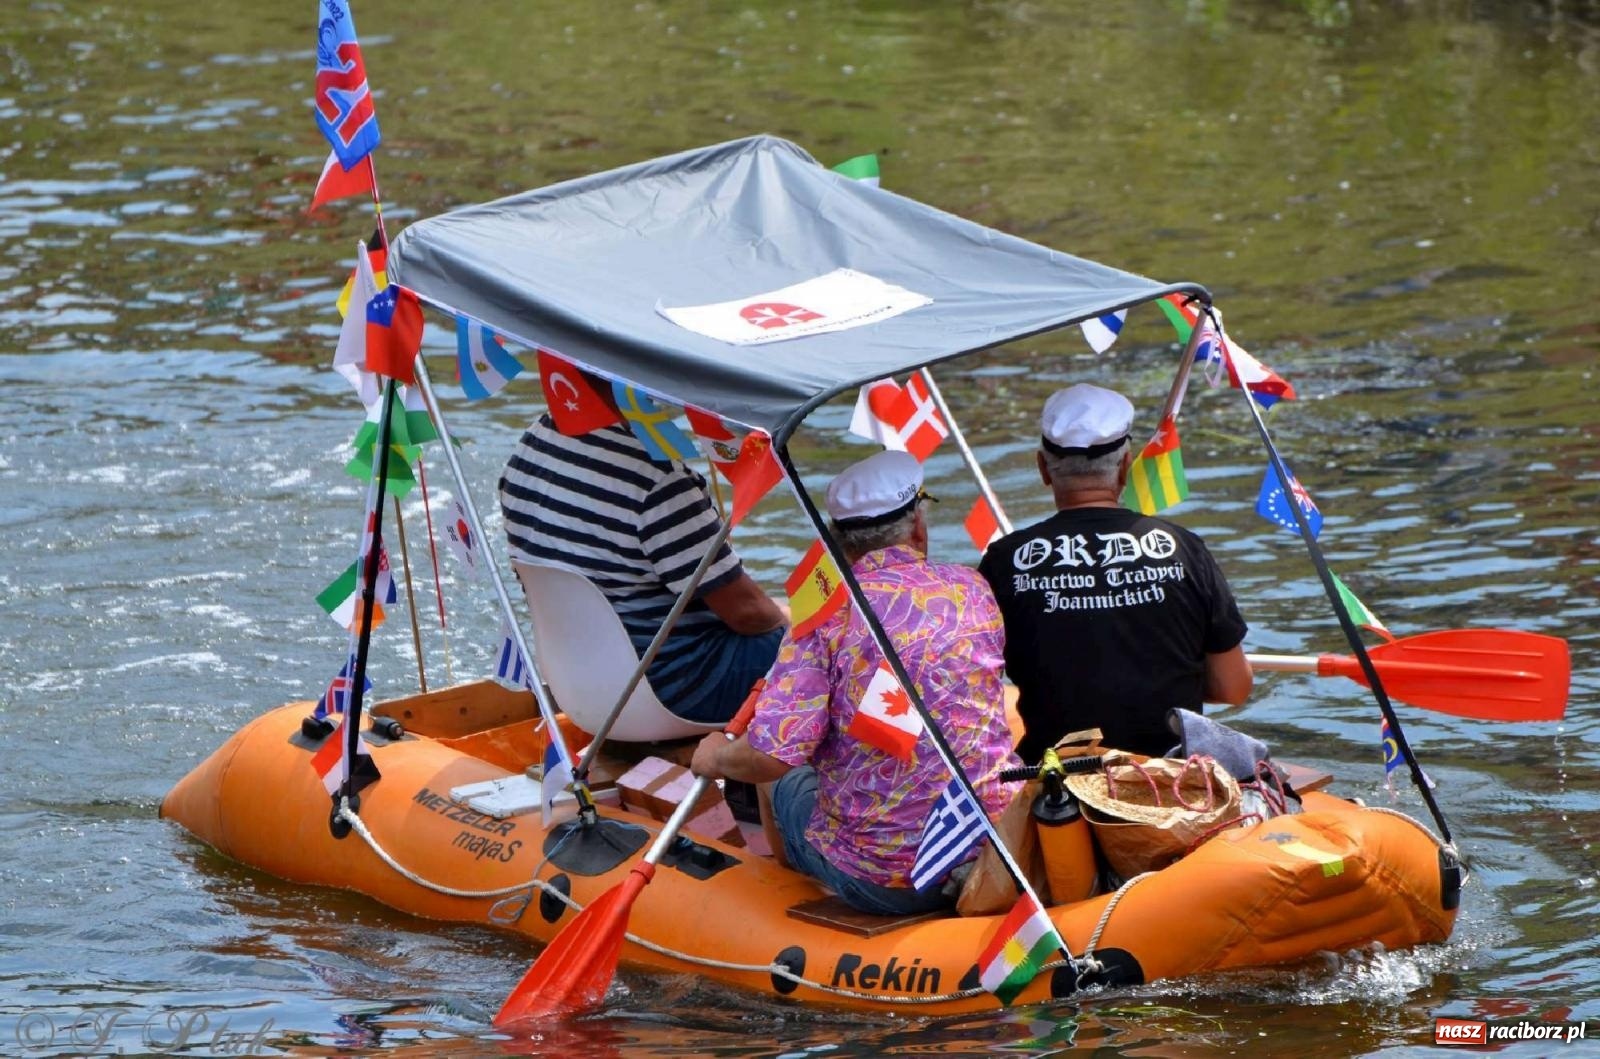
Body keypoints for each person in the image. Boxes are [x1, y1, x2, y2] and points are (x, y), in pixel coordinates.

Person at [691, 450, 1018, 915]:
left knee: (772, 770)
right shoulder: (972, 588)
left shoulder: (825, 619)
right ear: (918, 526)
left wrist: (717, 758)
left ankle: (785, 892)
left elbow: (771, 754)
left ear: (838, 544)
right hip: (995, 839)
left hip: (888, 878)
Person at [978, 383, 1253, 763]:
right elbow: (1234, 688)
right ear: (1126, 466)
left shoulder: (1003, 561)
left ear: (1043, 467)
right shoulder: (1185, 548)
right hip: (1169, 777)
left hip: (1055, 784)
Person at [499, 413, 786, 724]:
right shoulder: (658, 479)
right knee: (827, 643)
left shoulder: (539, 437)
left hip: (575, 682)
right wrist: (797, 625)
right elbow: (749, 615)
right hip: (674, 688)